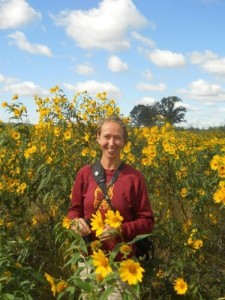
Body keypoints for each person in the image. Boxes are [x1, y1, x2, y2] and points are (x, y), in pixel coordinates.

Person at [67, 115, 154, 299]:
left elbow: (147, 222)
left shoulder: (134, 178)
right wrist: (76, 223)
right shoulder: (84, 174)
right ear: (98, 138)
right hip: (89, 262)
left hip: (121, 266)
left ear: (124, 142)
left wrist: (120, 229)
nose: (111, 142)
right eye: (107, 136)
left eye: (117, 137)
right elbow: (74, 211)